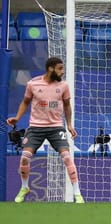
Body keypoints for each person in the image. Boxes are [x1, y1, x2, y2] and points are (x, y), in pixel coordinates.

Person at [7, 57, 84, 203]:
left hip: (55, 127)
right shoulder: (33, 84)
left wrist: (69, 125)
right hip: (36, 127)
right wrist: (17, 118)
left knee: (67, 157)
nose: (62, 72)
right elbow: (25, 102)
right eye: (60, 69)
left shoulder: (63, 86)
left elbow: (67, 105)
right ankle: (24, 187)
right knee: (25, 157)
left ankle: (77, 193)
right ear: (50, 68)